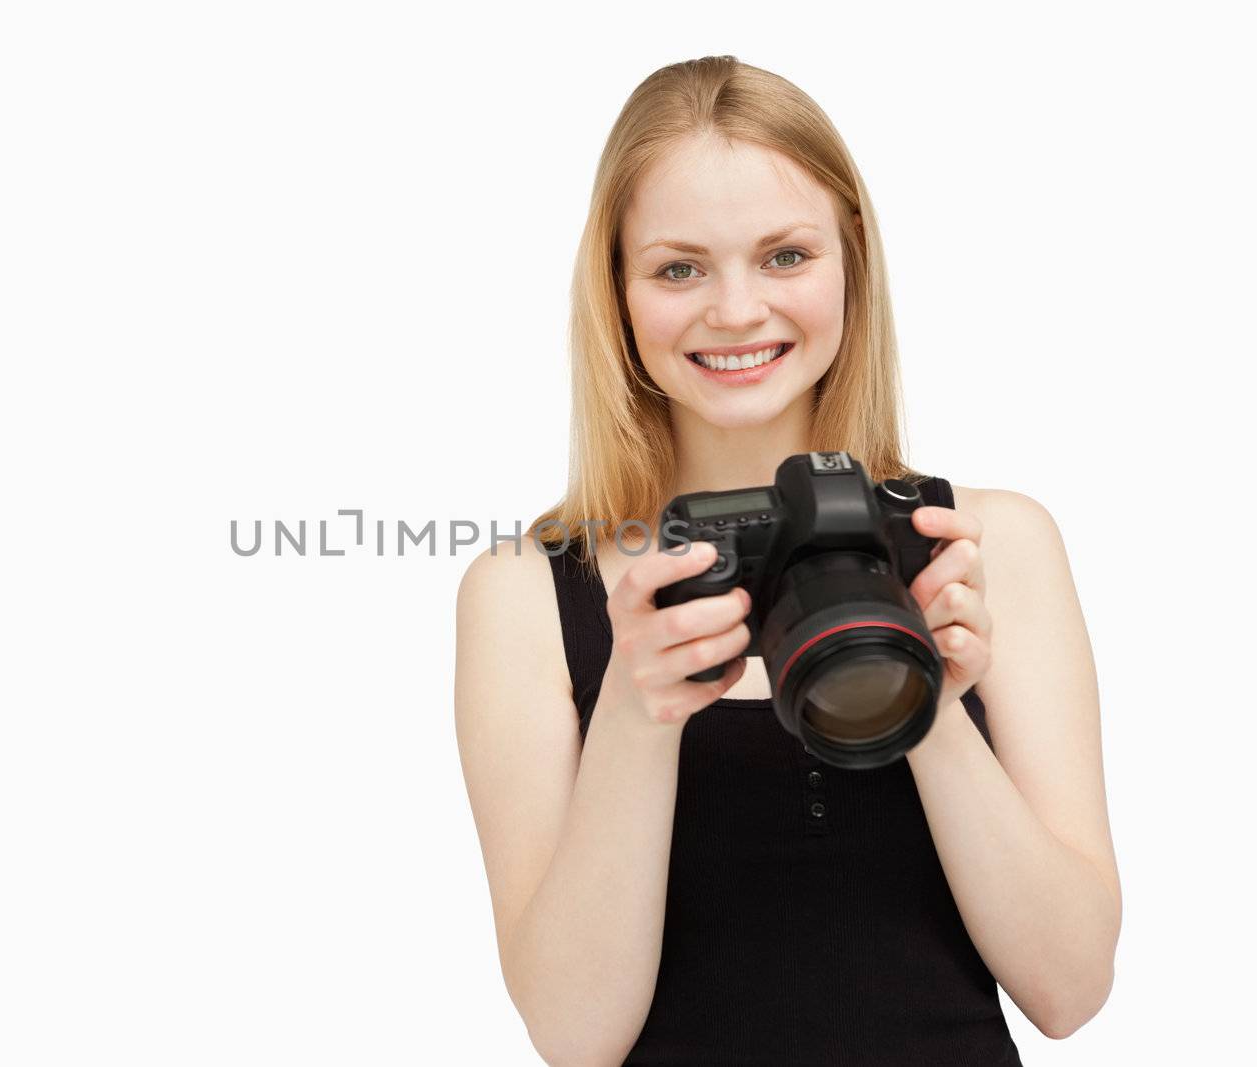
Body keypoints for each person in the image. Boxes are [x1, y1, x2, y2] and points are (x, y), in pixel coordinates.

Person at [453, 55, 1121, 1066]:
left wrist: (924, 698)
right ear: (618, 295)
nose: (735, 310)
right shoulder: (526, 595)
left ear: (849, 260)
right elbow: (574, 1032)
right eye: (678, 267)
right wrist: (637, 710)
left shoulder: (987, 543)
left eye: (784, 255)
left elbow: (1069, 988)